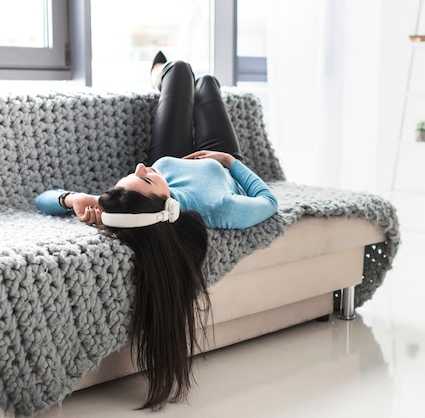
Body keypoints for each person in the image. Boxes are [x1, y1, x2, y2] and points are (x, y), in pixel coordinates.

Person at [34, 52, 278, 411]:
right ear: (163, 203)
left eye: (135, 173)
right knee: (207, 82)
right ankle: (196, 91)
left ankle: (159, 78)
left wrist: (72, 199)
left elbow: (41, 200)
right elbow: (269, 202)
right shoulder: (219, 207)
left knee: (178, 68)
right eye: (144, 177)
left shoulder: (147, 183)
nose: (140, 166)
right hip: (218, 160)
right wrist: (230, 162)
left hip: (171, 154)